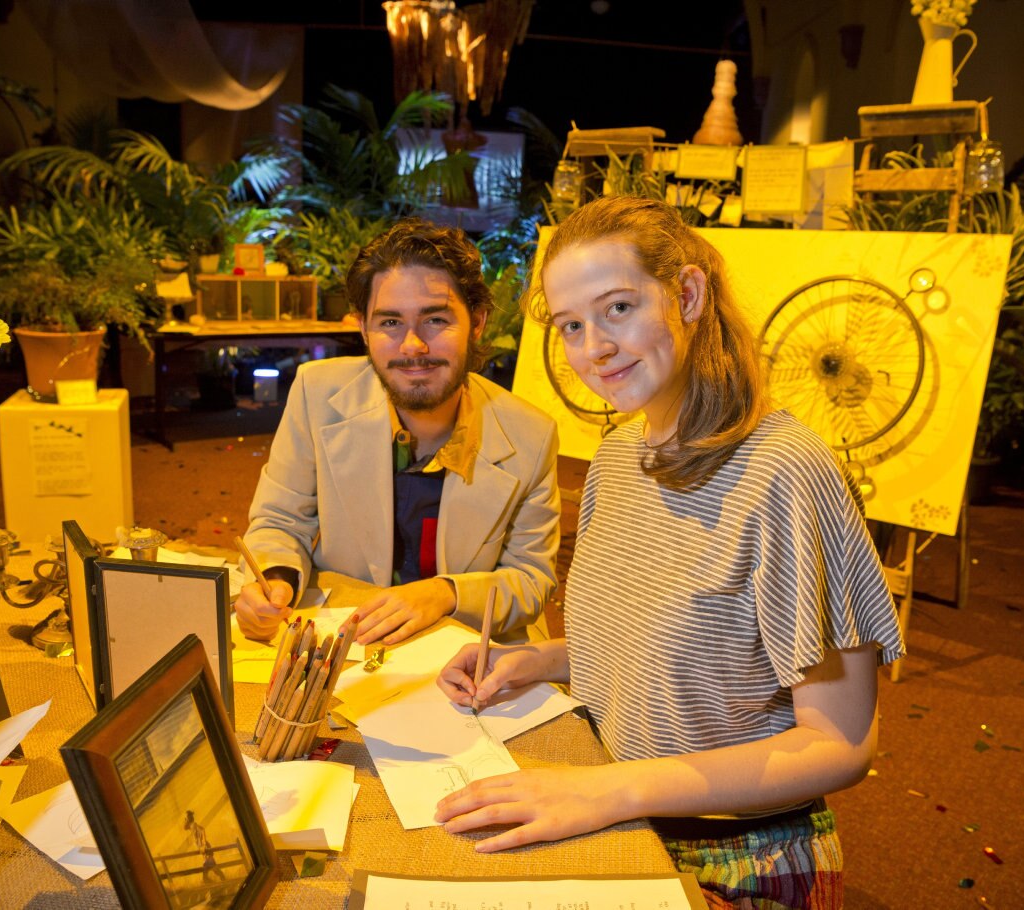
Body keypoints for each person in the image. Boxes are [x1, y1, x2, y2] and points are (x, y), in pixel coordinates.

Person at [435, 196, 904, 908]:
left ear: (687, 294)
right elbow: (684, 635)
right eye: (570, 325)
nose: (593, 347)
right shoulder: (621, 456)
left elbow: (840, 744)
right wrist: (536, 659)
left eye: (618, 308)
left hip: (739, 857)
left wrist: (606, 789)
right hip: (624, 813)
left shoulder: (784, 471)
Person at [236, 219, 561, 647]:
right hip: (349, 641)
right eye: (390, 322)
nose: (412, 346)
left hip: (465, 652)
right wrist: (274, 580)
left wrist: (444, 593)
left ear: (477, 323)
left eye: (436, 320)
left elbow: (531, 580)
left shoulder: (530, 435)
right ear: (363, 329)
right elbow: (280, 519)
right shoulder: (317, 394)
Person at [183, 811, 225, 883]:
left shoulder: (194, 825)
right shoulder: (191, 827)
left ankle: (220, 879)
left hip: (205, 849)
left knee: (210, 867)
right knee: (212, 867)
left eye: (185, 818)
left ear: (188, 819)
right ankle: (221, 879)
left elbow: (202, 829)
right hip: (204, 850)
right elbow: (185, 828)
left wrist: (204, 843)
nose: (184, 820)